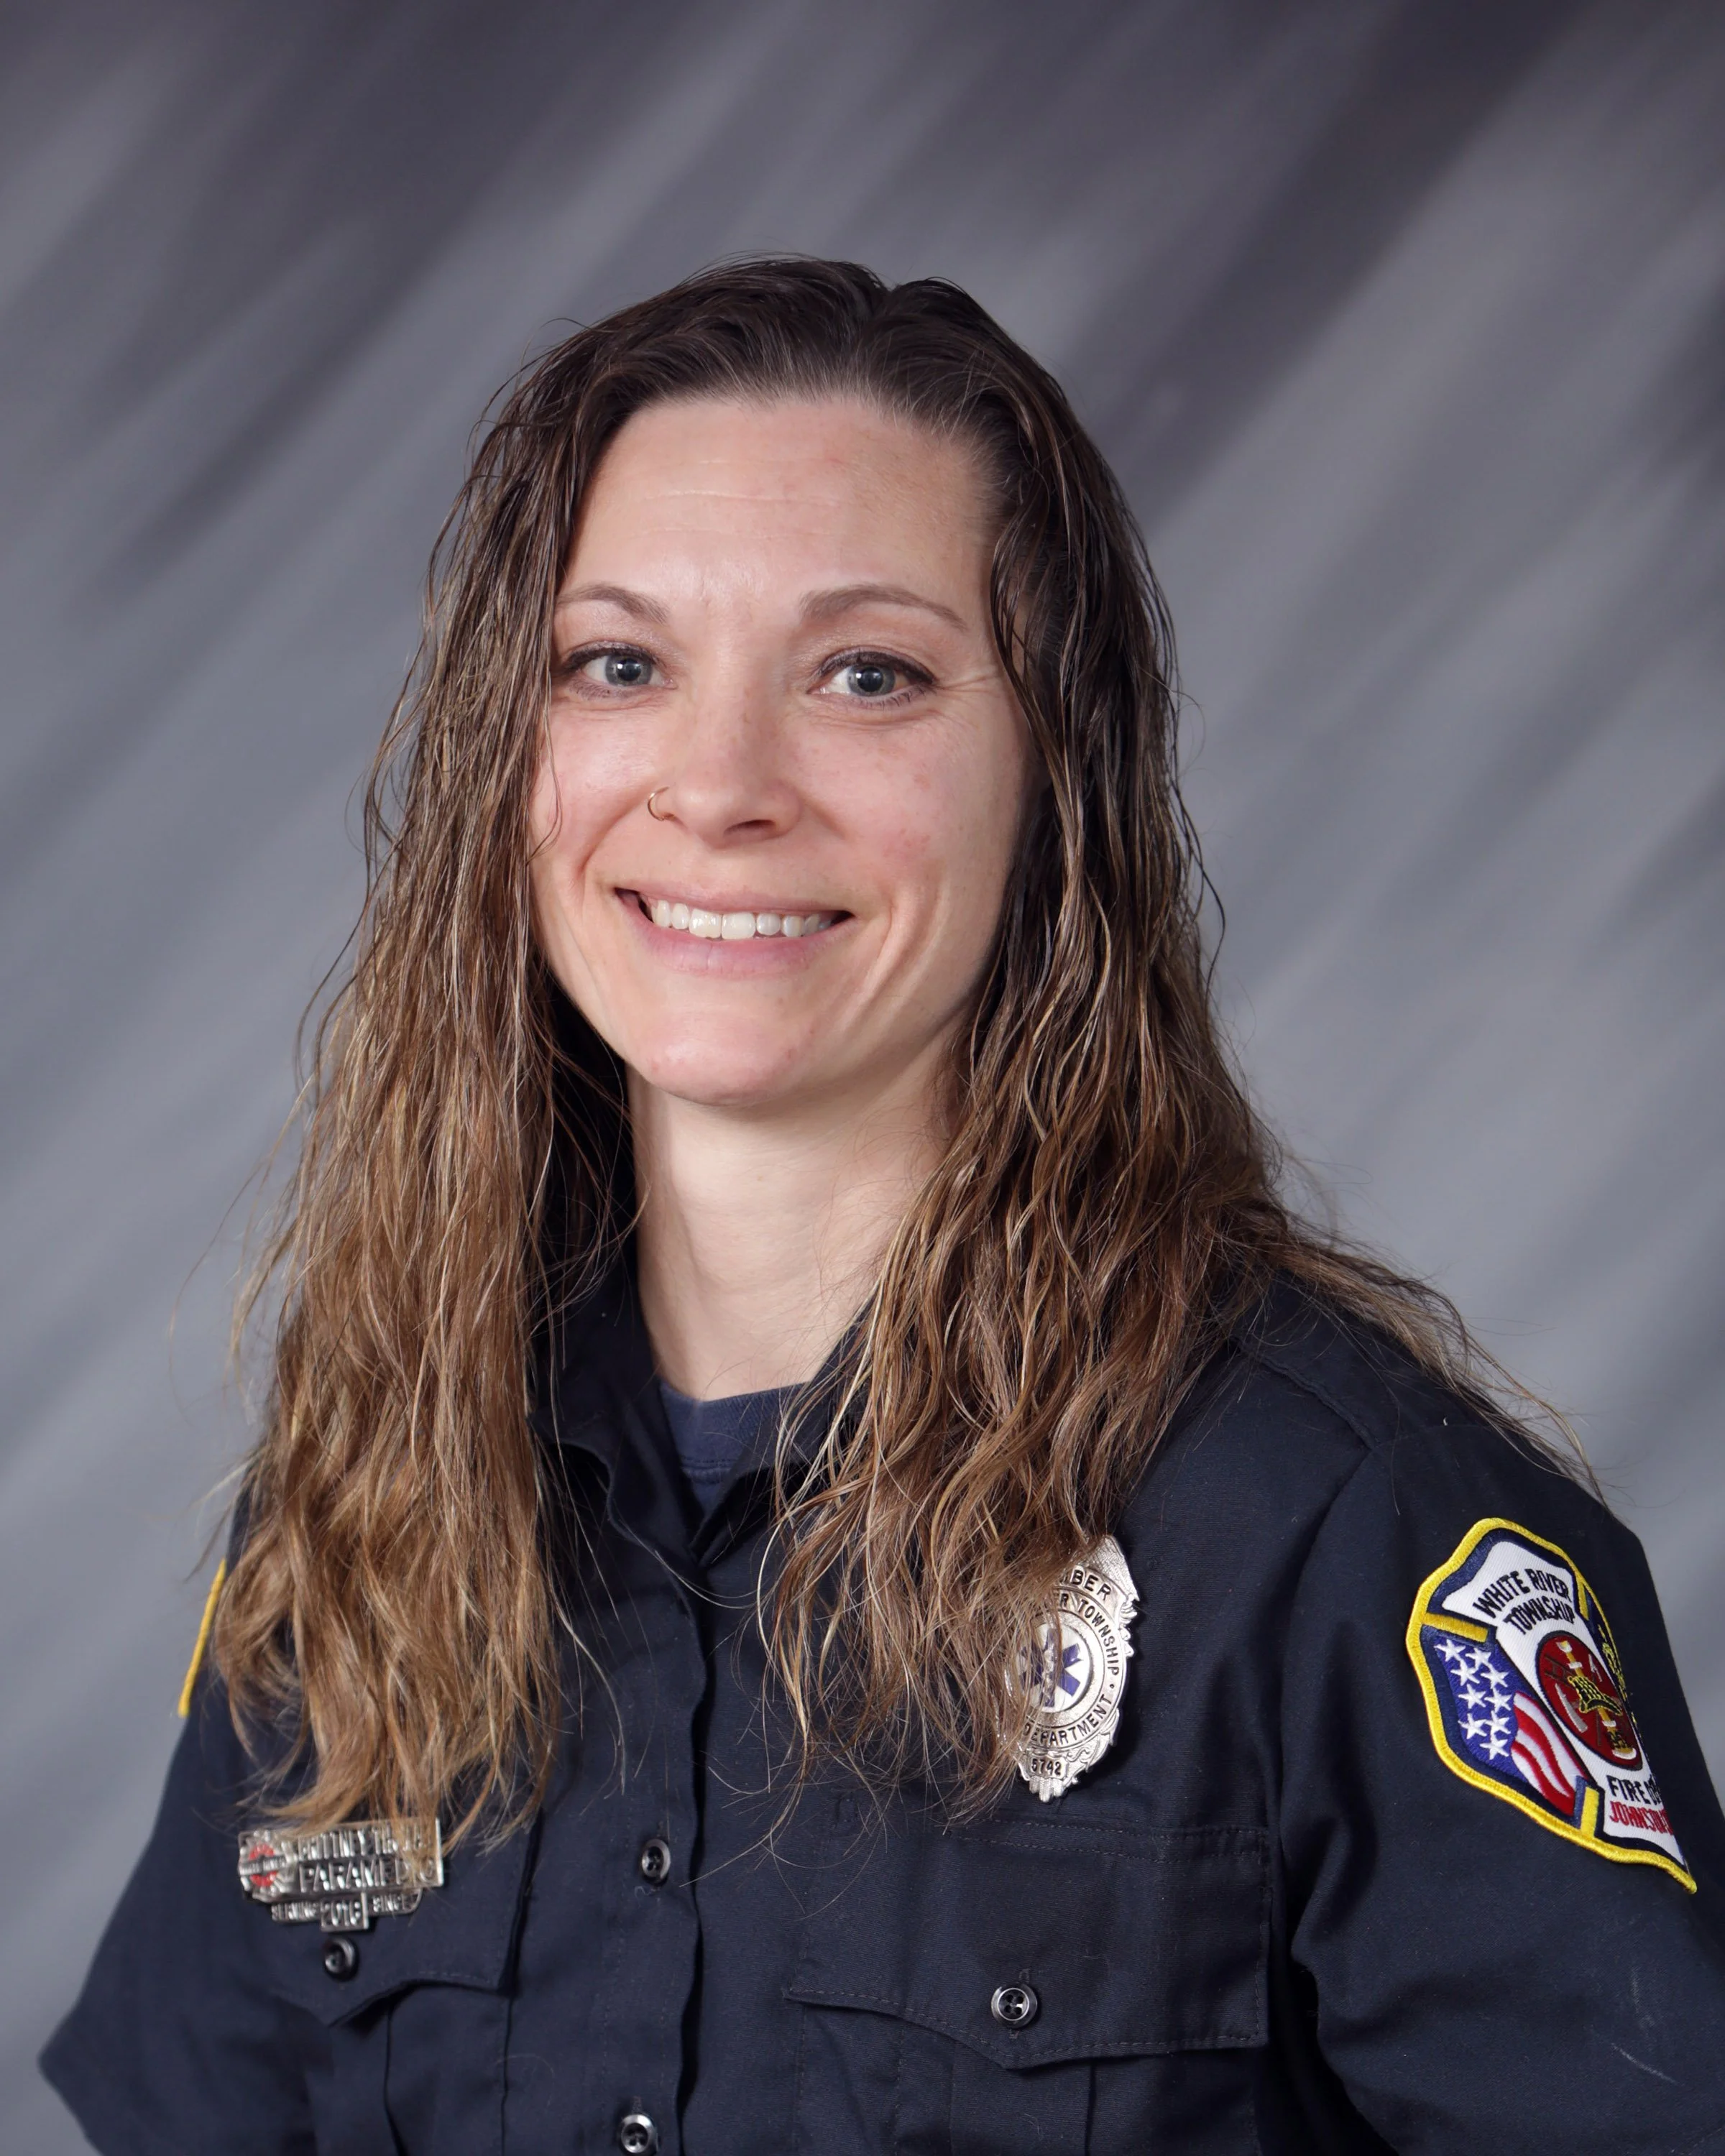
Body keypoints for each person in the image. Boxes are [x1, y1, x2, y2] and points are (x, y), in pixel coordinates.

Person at [42, 258, 1725, 2155]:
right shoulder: (367, 1504)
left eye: (869, 674)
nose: (722, 785)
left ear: (1053, 775)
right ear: (510, 764)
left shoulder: (1343, 1537)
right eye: (620, 662)